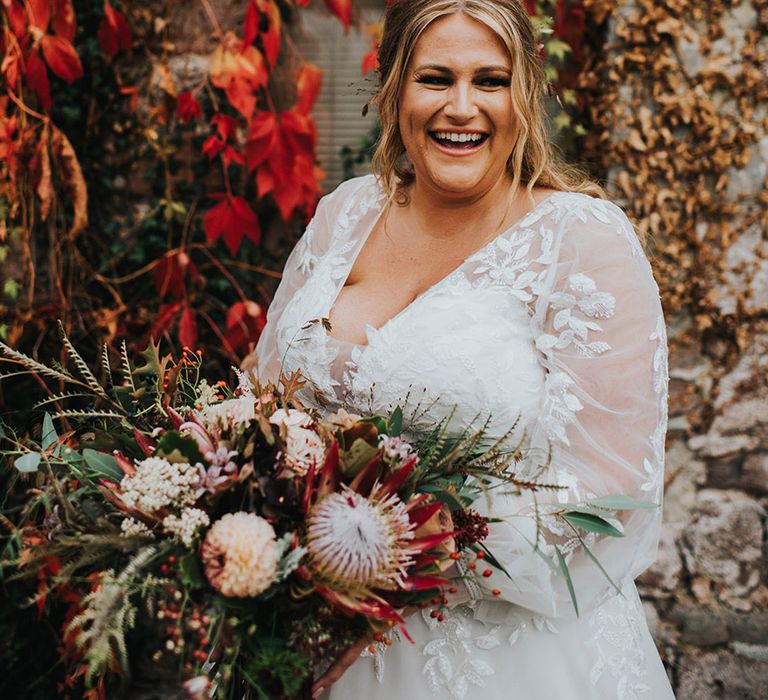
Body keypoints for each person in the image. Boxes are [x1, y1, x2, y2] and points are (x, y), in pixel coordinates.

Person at [253, 0, 675, 697]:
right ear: (393, 89)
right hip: (310, 639)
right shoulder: (346, 213)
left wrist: (394, 548)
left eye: (490, 80)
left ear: (526, 97)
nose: (461, 107)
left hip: (505, 657)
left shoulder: (582, 241)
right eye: (435, 78)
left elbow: (609, 496)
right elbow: (266, 402)